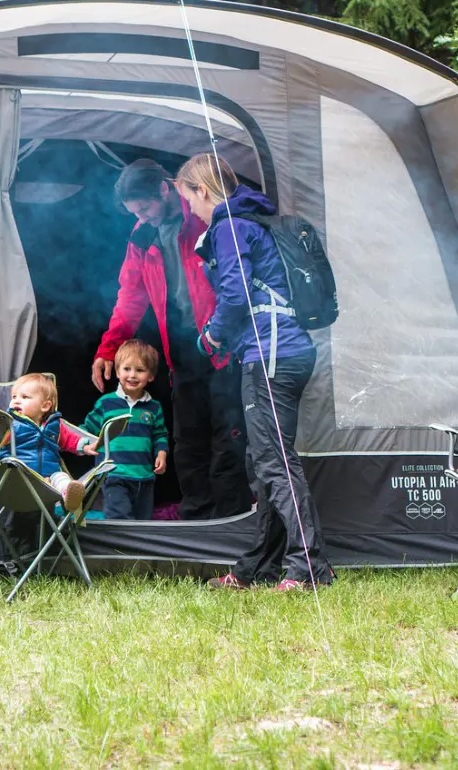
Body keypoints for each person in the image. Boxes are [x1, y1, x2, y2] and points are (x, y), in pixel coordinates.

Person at [173, 153, 334, 591]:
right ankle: (258, 568)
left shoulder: (229, 227)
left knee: (274, 461)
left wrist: (212, 336)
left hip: (271, 353)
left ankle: (309, 568)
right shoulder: (251, 221)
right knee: (261, 462)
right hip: (284, 351)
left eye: (189, 201)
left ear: (201, 191)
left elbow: (235, 291)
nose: (191, 211)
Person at [92, 158, 250, 520]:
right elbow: (129, 297)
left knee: (228, 432)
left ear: (164, 189)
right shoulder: (141, 235)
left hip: (223, 343)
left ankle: (231, 515)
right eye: (136, 212)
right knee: (188, 436)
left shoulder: (202, 215)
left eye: (145, 208)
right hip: (181, 348)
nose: (142, 217)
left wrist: (223, 332)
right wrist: (109, 348)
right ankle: (197, 513)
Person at [0, 373, 89, 515]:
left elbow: (70, 440)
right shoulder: (10, 423)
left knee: (60, 476)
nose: (16, 401)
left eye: (24, 397)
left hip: (46, 478)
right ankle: (65, 493)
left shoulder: (54, 425)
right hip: (16, 477)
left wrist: (85, 446)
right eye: (14, 397)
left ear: (45, 406)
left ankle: (68, 493)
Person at [83, 340, 169, 520]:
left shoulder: (153, 407)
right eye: (127, 369)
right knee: (118, 519)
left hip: (144, 477)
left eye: (140, 370)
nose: (132, 375)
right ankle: (116, 549)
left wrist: (161, 453)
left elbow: (160, 434)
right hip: (113, 474)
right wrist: (79, 443)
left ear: (151, 376)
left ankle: (136, 549)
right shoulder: (106, 403)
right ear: (117, 371)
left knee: (142, 522)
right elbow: (86, 430)